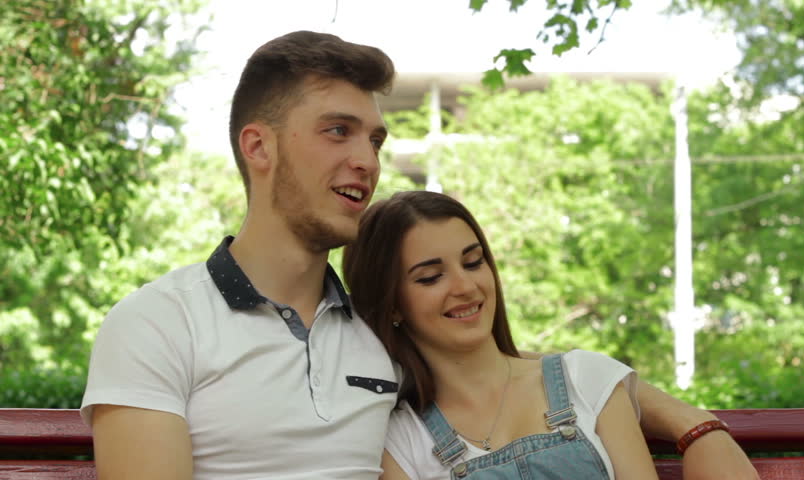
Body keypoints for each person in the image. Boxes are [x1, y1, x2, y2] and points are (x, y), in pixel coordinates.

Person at [81, 30, 758, 480]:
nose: (365, 160)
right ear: (259, 147)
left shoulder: (379, 341)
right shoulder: (158, 324)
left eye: (374, 139)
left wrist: (674, 415)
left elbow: (512, 375)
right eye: (337, 132)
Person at [343, 190, 661, 479]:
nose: (466, 287)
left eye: (473, 262)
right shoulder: (398, 439)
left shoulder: (587, 380)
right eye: (430, 277)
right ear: (391, 306)